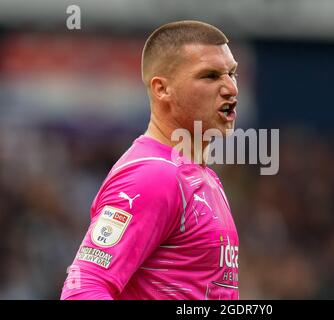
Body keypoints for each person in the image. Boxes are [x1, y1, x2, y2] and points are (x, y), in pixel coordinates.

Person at [60, 20, 240, 300]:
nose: (230, 88)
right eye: (210, 76)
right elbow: (83, 289)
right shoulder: (154, 176)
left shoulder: (204, 177)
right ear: (162, 89)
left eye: (232, 73)